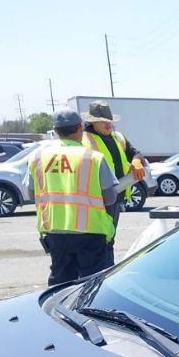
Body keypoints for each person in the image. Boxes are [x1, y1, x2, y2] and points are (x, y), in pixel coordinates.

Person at [26, 108, 120, 285]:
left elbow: (32, 195)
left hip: (54, 230)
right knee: (91, 284)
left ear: (55, 131)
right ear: (80, 127)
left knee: (60, 283)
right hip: (91, 230)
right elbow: (110, 198)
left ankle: (54, 312)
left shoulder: (37, 157)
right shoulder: (93, 158)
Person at [81, 101, 145, 234]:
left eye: (109, 120)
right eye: (103, 120)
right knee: (101, 239)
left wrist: (136, 161)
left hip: (116, 198)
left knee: (109, 237)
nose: (108, 123)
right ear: (92, 122)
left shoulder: (118, 137)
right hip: (96, 201)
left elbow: (135, 153)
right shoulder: (83, 139)